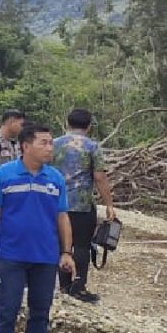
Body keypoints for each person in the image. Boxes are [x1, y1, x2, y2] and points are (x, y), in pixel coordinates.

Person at [0, 123, 76, 333]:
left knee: (40, 312)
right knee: (7, 310)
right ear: (26, 146)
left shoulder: (55, 178)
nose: (49, 148)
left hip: (46, 257)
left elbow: (62, 216)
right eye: (44, 143)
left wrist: (67, 252)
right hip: (11, 257)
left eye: (51, 143)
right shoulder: (3, 175)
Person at [51, 108, 117, 303]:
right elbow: (99, 177)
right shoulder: (91, 146)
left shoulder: (53, 144)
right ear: (89, 126)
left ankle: (63, 285)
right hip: (81, 205)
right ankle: (78, 287)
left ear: (68, 123)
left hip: (56, 204)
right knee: (81, 245)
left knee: (62, 245)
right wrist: (109, 204)